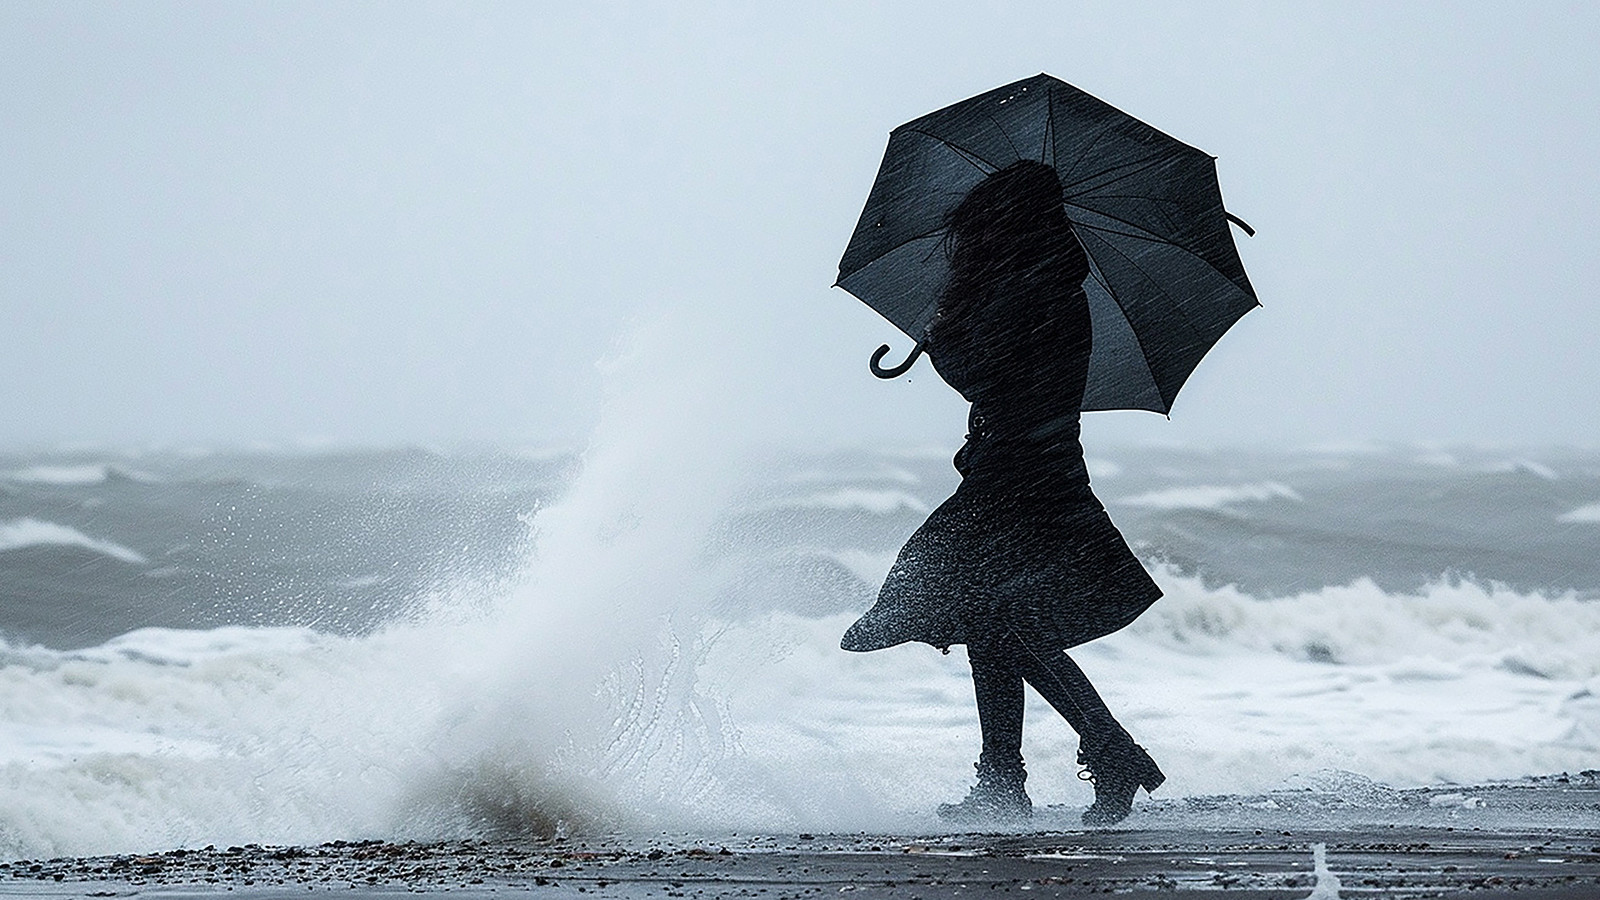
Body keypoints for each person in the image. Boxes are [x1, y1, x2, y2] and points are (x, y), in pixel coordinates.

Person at [840, 160, 1166, 827]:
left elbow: (995, 383)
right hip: (1022, 470)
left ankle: (1027, 775)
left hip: (1026, 476)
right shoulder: (1036, 284)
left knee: (984, 615)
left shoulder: (1042, 291)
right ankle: (1076, 761)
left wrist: (944, 344)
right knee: (993, 619)